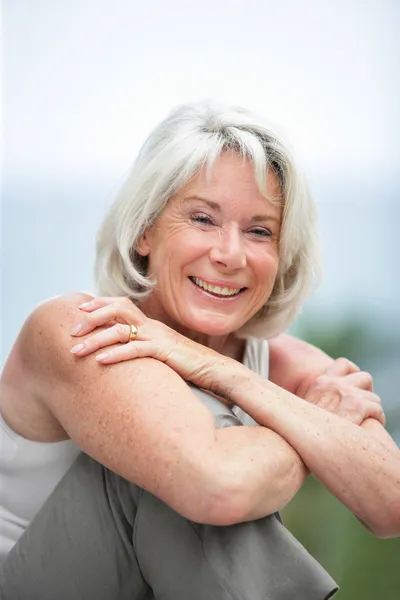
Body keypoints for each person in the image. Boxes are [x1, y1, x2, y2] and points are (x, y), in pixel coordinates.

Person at [1, 100, 399, 600]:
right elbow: (216, 487)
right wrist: (310, 420)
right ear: (146, 230)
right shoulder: (76, 329)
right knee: (168, 467)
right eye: (203, 219)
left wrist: (221, 371)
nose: (229, 255)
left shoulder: (290, 368)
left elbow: (391, 504)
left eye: (259, 231)